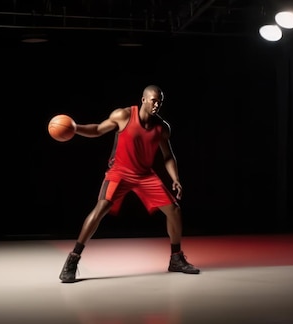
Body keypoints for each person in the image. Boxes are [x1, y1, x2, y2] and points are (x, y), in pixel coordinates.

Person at [59, 84, 200, 283]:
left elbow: (168, 156)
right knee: (101, 209)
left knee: (174, 210)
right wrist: (75, 128)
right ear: (143, 100)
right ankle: (73, 259)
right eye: (153, 100)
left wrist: (175, 178)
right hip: (120, 172)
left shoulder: (162, 127)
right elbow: (98, 129)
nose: (157, 105)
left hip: (144, 175)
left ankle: (176, 258)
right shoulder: (123, 115)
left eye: (160, 101)